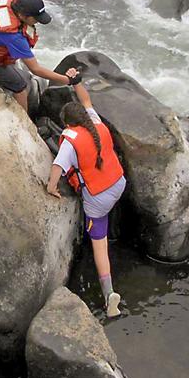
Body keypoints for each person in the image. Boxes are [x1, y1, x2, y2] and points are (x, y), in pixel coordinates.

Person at [46, 80, 126, 318]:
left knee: (99, 245)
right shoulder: (96, 123)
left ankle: (109, 295)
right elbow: (87, 100)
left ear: (68, 123)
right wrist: (77, 81)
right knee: (106, 210)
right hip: (119, 183)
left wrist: (51, 188)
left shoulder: (71, 140)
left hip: (98, 197)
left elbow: (58, 166)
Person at [0, 0, 80, 108]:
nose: (37, 22)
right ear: (22, 15)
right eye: (36, 19)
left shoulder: (7, 0)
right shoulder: (13, 36)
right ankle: (26, 125)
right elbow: (35, 69)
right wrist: (67, 80)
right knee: (20, 88)